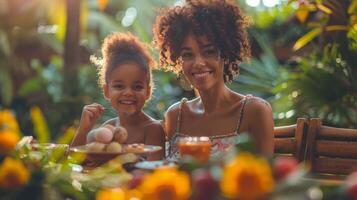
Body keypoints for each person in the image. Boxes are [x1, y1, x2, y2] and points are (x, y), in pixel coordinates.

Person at [152, 0, 274, 160]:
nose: (198, 63)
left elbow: (265, 178)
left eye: (209, 52)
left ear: (226, 54)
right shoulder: (175, 116)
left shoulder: (254, 112)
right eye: (188, 55)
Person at [71, 32, 165, 160]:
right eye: (119, 86)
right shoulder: (108, 129)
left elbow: (154, 169)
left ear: (148, 92)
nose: (128, 93)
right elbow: (74, 161)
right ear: (106, 91)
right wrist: (83, 129)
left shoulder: (153, 129)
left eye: (137, 87)